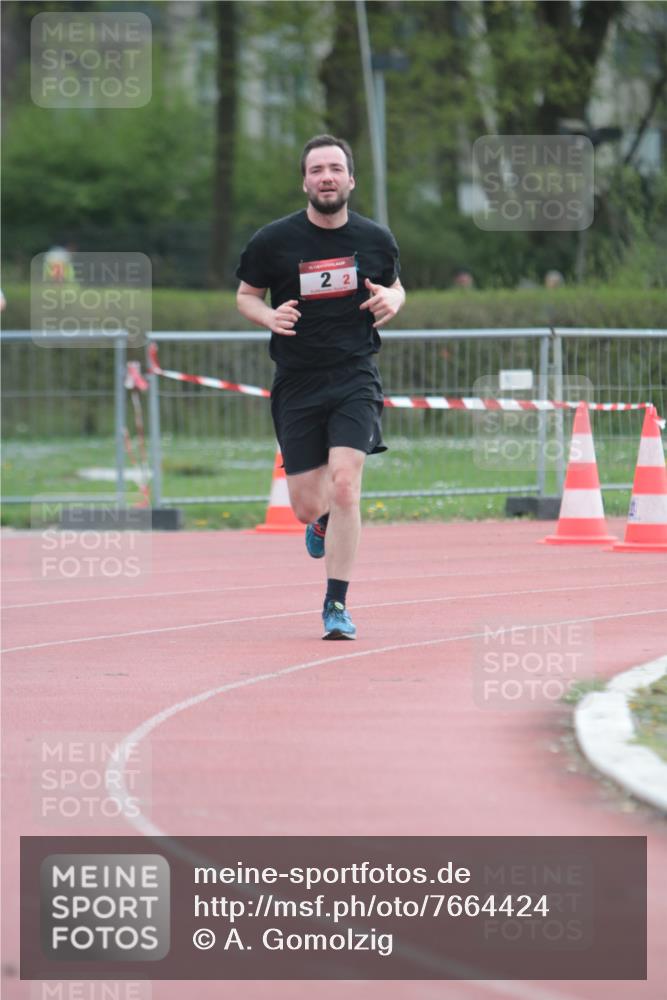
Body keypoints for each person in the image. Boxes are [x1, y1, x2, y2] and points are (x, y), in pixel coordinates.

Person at [236, 134, 405, 640]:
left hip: (355, 374)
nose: (326, 177)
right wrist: (268, 314)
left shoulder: (376, 239)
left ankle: (336, 604)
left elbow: (396, 284)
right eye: (316, 170)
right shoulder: (273, 241)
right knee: (309, 503)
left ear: (351, 179)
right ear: (305, 181)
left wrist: (395, 300)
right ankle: (320, 522)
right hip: (298, 380)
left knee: (346, 484)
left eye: (335, 168)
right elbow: (245, 295)